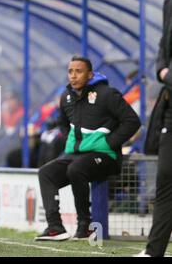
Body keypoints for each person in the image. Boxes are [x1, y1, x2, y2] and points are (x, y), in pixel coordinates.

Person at [35, 56, 140, 241]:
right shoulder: (66, 97)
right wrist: (72, 141)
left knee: (77, 168)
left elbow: (132, 121)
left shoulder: (107, 94)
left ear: (90, 74)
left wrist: (108, 143)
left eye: (79, 71)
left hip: (106, 156)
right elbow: (63, 123)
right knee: (46, 173)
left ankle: (86, 226)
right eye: (70, 71)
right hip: (77, 155)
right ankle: (55, 227)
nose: (73, 76)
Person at [137, 0, 172, 257]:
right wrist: (163, 72)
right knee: (165, 181)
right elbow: (162, 53)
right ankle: (154, 251)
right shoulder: (169, 6)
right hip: (169, 115)